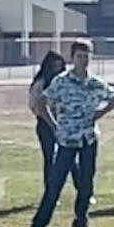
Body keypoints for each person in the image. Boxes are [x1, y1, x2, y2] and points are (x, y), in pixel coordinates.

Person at [19, 38, 114, 227]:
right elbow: (41, 103)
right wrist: (54, 125)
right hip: (66, 141)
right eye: (79, 56)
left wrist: (99, 113)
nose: (83, 60)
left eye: (87, 56)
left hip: (88, 139)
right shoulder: (61, 82)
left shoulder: (94, 83)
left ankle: (81, 220)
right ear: (72, 58)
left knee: (86, 182)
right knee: (55, 184)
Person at [26, 49, 67, 190]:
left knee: (72, 160)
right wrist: (51, 121)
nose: (57, 70)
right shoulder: (41, 83)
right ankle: (50, 189)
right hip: (45, 126)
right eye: (54, 66)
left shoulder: (65, 83)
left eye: (59, 66)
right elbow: (34, 105)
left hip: (65, 123)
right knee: (50, 158)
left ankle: (83, 189)